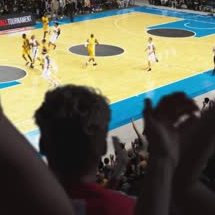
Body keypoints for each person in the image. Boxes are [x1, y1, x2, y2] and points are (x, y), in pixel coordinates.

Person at [26, 85, 135, 214]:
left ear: (41, 145)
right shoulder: (127, 208)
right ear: (103, 148)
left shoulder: (10, 206)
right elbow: (87, 195)